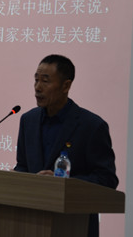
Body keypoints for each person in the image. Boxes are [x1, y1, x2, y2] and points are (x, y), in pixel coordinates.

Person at [14, 54, 118, 237]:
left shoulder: (91, 126)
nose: (38, 87)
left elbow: (107, 180)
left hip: (74, 225)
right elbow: (22, 166)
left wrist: (64, 184)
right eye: (36, 80)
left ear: (66, 86)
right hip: (32, 222)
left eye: (45, 81)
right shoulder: (28, 120)